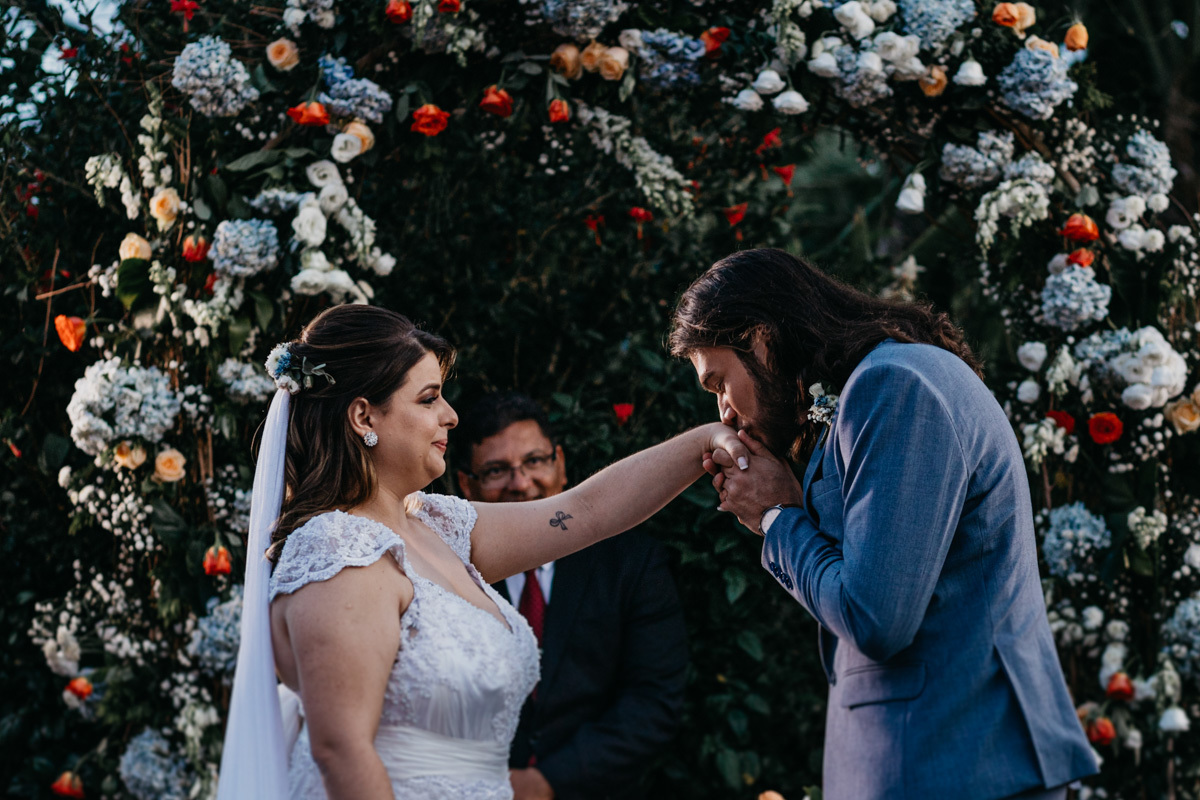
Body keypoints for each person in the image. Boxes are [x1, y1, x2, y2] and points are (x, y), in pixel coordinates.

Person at [216, 305, 748, 800]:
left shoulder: (436, 526)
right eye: (428, 399)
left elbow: (586, 512)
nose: (450, 416)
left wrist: (707, 440)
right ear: (363, 417)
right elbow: (341, 752)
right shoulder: (338, 552)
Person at [668, 248, 1099, 800]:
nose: (724, 412)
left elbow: (876, 617)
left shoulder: (893, 387)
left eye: (718, 382)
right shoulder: (883, 385)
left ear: (761, 337)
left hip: (955, 764)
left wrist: (779, 518)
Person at [455, 392, 688, 800]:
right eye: (495, 470)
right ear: (465, 485)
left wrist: (548, 780)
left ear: (560, 464)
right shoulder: (445, 569)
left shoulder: (631, 563)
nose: (521, 484)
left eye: (534, 461)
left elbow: (653, 700)